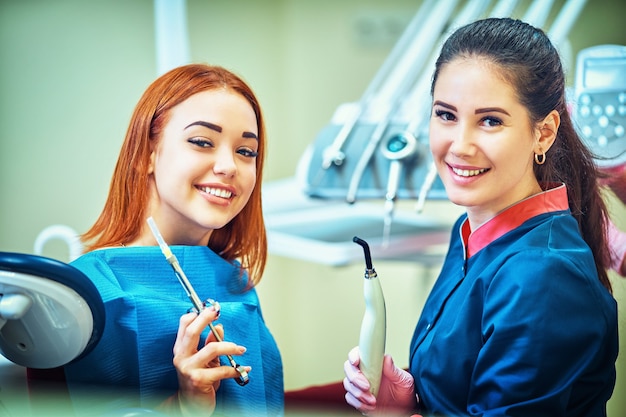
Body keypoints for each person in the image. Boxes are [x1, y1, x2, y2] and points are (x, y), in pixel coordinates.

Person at [343, 18, 618, 417]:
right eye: (446, 115)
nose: (460, 146)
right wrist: (407, 404)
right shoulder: (472, 230)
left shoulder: (543, 277)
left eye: (490, 120)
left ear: (544, 133)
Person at [60, 64, 283, 416]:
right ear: (146, 154)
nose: (229, 166)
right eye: (202, 142)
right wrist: (185, 404)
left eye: (246, 152)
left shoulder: (235, 283)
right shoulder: (93, 288)